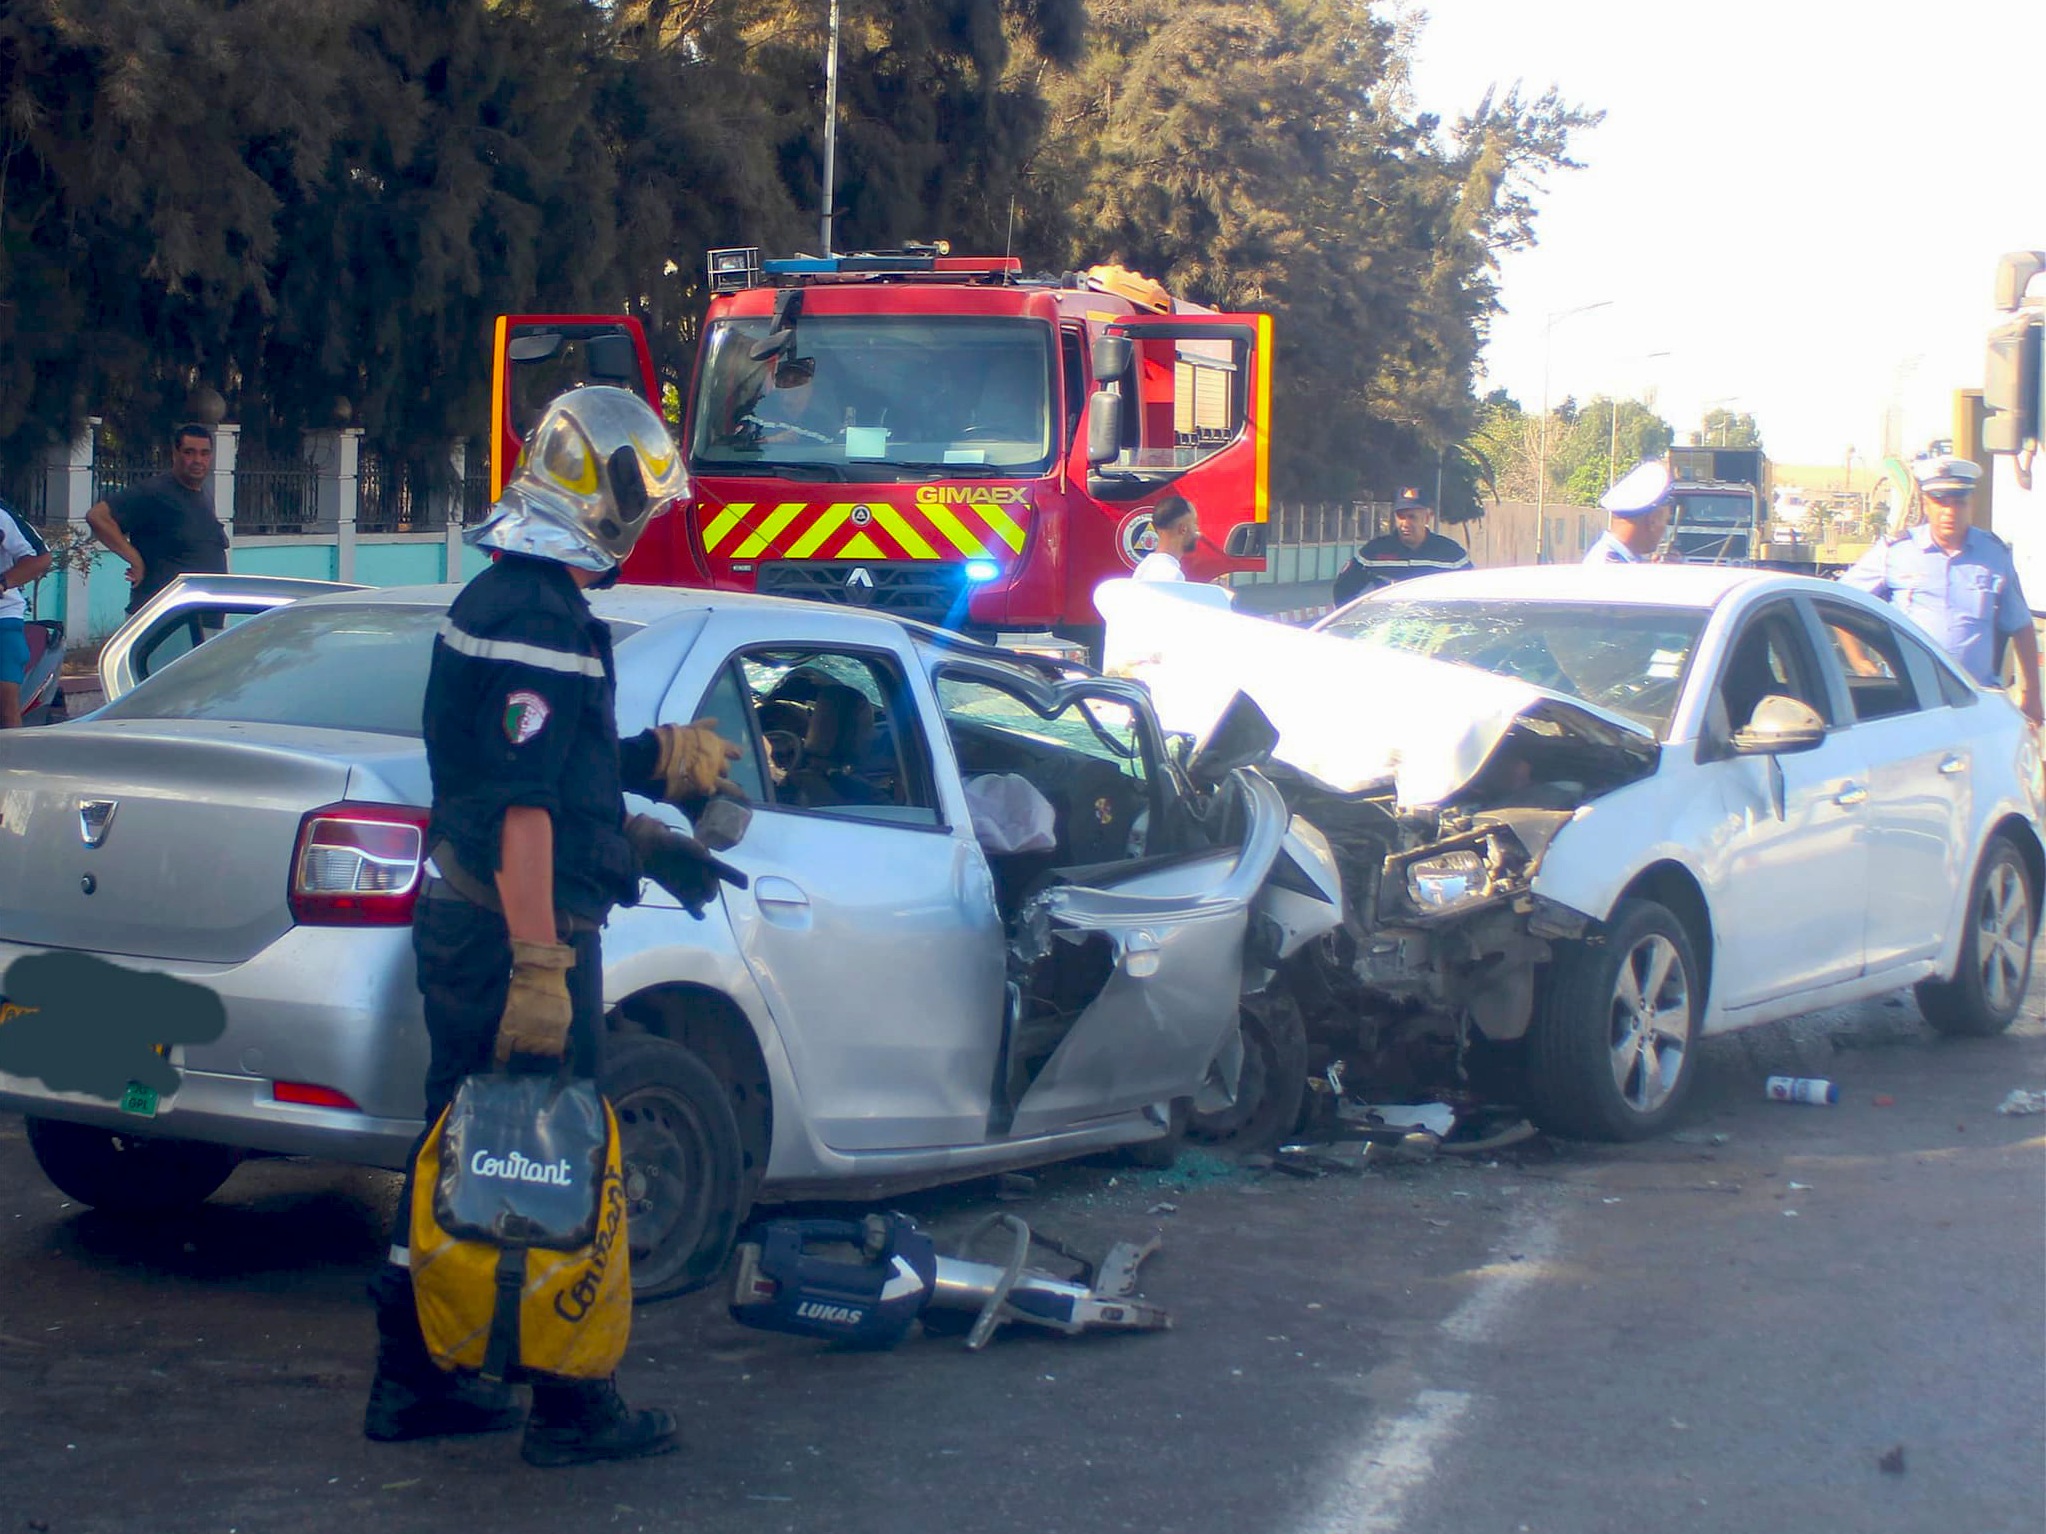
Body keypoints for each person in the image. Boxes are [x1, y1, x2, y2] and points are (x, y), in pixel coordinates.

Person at [364, 386, 745, 1467]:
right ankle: (574, 1403)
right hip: (511, 935)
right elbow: (521, 808)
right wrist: (543, 961)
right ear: (601, 490)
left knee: (458, 1148)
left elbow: (536, 775)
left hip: (473, 922)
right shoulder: (537, 613)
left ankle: (416, 1376)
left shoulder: (511, 599)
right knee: (553, 1154)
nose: (640, 524)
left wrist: (640, 784)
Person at [1840, 455, 2042, 724]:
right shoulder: (1897, 551)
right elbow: (1844, 602)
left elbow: (2020, 625)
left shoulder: (1993, 554)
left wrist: (2033, 694)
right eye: (1940, 501)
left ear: (1971, 503)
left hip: (1976, 700)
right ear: (1926, 503)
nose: (1950, 511)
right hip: (1911, 703)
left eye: (1959, 502)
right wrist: (1858, 661)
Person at [86, 424, 229, 613]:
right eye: (189, 452)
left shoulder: (203, 495)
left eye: (204, 453)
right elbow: (97, 516)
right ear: (175, 454)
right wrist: (135, 559)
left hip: (202, 617)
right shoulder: (154, 492)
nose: (198, 460)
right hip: (166, 618)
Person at [1332, 486, 1472, 603]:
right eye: (1401, 516)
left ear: (1427, 517)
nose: (1405, 523)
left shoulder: (1451, 555)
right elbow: (1343, 591)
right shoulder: (1374, 552)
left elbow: (1471, 593)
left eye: (1412, 517)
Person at [0, 496, 55, 729]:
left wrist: (4, 583)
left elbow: (40, 557)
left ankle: (13, 762)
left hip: (2, 617)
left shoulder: (2, 514)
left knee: (6, 708)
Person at [1583, 460, 1675, 565]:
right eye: (1665, 521)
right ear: (1652, 521)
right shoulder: (1610, 566)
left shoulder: (1619, 559)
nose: (1664, 531)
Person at [1132, 495, 1198, 582]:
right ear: (1183, 529)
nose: (1197, 531)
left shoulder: (1145, 566)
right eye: (1194, 523)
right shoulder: (1171, 574)